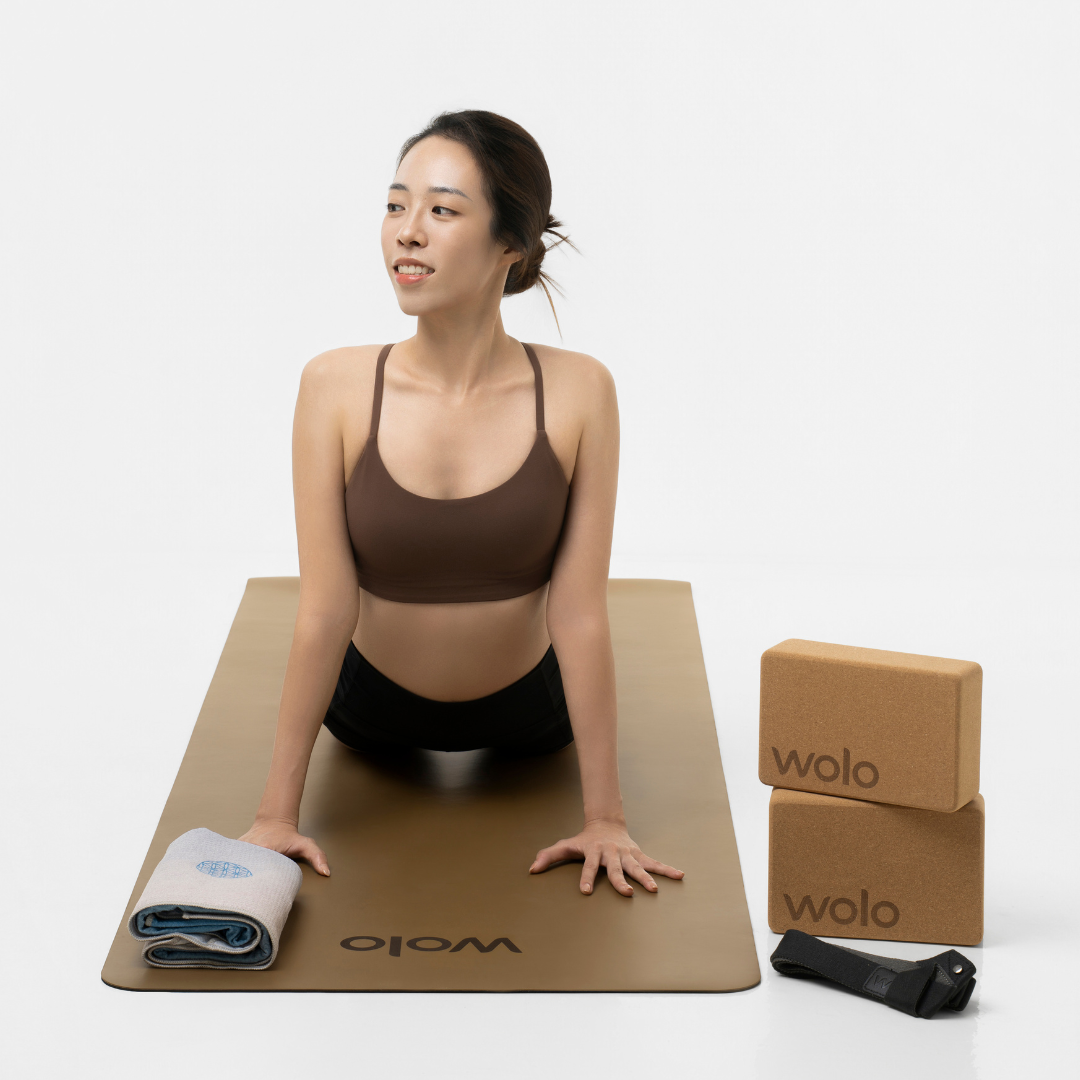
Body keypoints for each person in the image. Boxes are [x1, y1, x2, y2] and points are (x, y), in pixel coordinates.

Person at [240, 110, 683, 898]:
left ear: (511, 244)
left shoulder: (581, 390)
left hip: (532, 715)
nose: (407, 231)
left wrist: (606, 818)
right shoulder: (333, 386)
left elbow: (579, 611)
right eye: (395, 205)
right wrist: (275, 816)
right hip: (369, 711)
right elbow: (327, 608)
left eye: (442, 210)